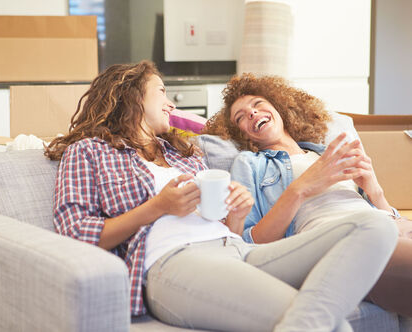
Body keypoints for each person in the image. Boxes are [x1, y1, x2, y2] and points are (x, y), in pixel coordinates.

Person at [45, 61, 398, 332]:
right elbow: (74, 232)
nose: (170, 103)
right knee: (331, 323)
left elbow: (227, 228)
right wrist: (156, 208)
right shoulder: (88, 151)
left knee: (373, 228)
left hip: (237, 250)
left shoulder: (183, 153)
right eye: (162, 92)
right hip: (173, 262)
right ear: (132, 94)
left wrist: (237, 214)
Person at [202, 73, 412, 317]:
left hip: (388, 229)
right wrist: (300, 189)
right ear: (243, 135)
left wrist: (375, 190)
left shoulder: (325, 153)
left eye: (258, 104)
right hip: (339, 240)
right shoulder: (250, 164)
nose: (251, 113)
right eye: (240, 117)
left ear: (279, 109)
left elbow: (391, 221)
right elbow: (249, 243)